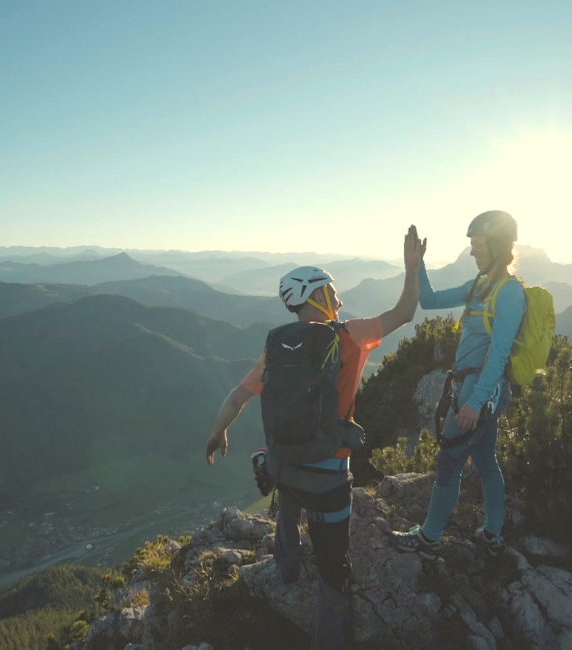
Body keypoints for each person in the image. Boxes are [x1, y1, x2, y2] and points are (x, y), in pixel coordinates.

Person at [205, 226, 425, 650]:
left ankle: (285, 567)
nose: (340, 301)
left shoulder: (277, 349)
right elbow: (405, 313)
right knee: (333, 567)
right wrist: (411, 269)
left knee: (285, 484)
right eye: (333, 292)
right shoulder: (351, 337)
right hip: (328, 475)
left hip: (283, 468)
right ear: (317, 297)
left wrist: (218, 433)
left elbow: (237, 397)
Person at [392, 210, 526, 557]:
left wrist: (474, 402)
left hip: (479, 392)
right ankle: (493, 533)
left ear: (498, 246)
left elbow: (498, 354)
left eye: (478, 245)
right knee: (485, 459)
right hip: (478, 392)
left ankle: (429, 537)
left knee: (449, 463)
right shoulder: (479, 287)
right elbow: (430, 301)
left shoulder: (509, 293)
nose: (472, 253)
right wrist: (416, 265)